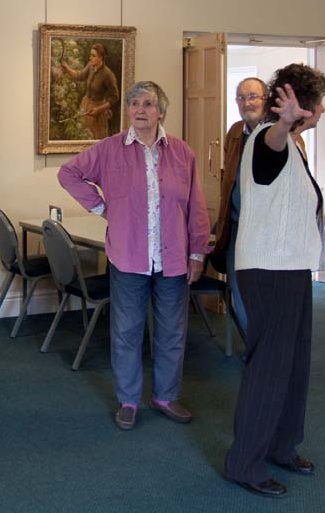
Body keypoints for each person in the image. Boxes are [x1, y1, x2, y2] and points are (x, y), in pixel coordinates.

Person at [223, 63, 325, 499]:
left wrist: (319, 219)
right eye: (320, 103)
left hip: (292, 266)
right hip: (268, 271)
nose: (323, 111)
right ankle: (244, 463)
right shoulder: (267, 138)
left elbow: (280, 201)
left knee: (294, 363)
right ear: (302, 105)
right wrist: (284, 122)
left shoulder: (294, 147)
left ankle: (282, 445)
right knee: (270, 367)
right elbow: (270, 148)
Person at [58, 80, 211, 431]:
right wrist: (101, 207)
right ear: (127, 110)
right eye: (134, 103)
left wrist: (198, 253)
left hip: (173, 258)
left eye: (148, 103)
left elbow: (196, 206)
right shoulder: (109, 149)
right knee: (127, 331)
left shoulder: (182, 152)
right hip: (128, 257)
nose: (140, 109)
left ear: (161, 111)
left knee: (172, 332)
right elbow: (68, 173)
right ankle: (128, 400)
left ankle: (165, 396)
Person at [212, 77, 304, 335]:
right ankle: (254, 346)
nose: (246, 103)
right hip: (237, 228)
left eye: (253, 96)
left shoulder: (284, 134)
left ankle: (268, 346)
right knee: (239, 293)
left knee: (269, 294)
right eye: (241, 98)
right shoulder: (234, 133)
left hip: (271, 234)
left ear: (266, 99)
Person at [60, 42, 120, 139]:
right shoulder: (90, 66)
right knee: (83, 135)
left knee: (95, 138)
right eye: (90, 55)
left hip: (98, 110)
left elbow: (115, 97)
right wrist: (67, 69)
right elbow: (80, 76)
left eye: (93, 56)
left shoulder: (107, 74)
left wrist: (99, 109)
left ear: (101, 57)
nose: (90, 58)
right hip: (85, 105)